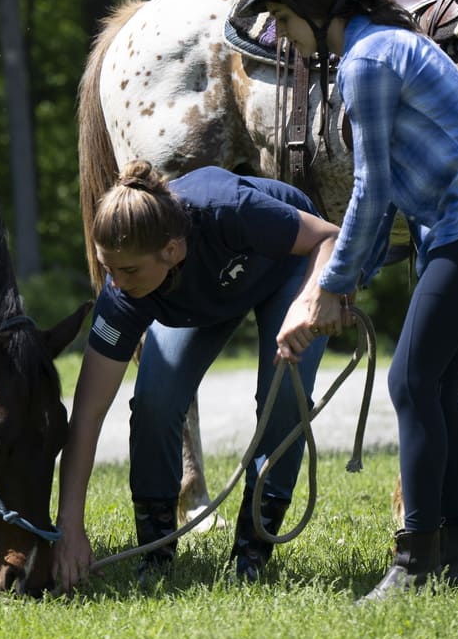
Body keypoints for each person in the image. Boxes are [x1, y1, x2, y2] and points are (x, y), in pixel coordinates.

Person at [239, 0, 458, 602]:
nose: (285, 36)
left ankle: (416, 564)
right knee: (433, 386)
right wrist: (347, 281)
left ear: (320, 6)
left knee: (411, 385)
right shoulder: (382, 49)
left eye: (286, 19)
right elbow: (385, 200)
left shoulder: (367, 60)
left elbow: (370, 188)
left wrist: (330, 284)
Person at [52, 161, 346, 591]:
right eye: (107, 268)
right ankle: (155, 552)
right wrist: (69, 529)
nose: (116, 282)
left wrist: (314, 300)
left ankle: (253, 548)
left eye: (128, 271)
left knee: (285, 393)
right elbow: (87, 415)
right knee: (155, 401)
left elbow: (329, 236)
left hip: (287, 271)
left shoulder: (229, 208)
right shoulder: (124, 292)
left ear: (171, 250)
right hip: (197, 301)